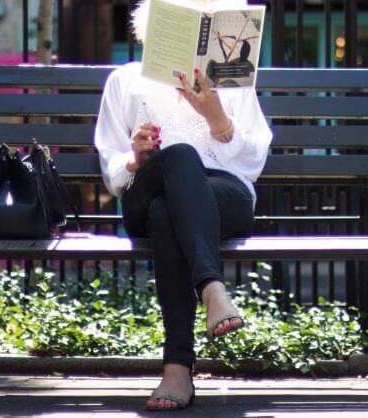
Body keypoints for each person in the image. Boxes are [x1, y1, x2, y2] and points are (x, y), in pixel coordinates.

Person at [93, 0, 273, 411]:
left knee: (166, 213)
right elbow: (112, 169)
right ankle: (211, 286)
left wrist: (217, 119)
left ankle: (177, 369)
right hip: (145, 188)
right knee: (180, 157)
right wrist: (136, 157)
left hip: (223, 194)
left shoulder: (232, 81)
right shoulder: (125, 80)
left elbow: (253, 163)